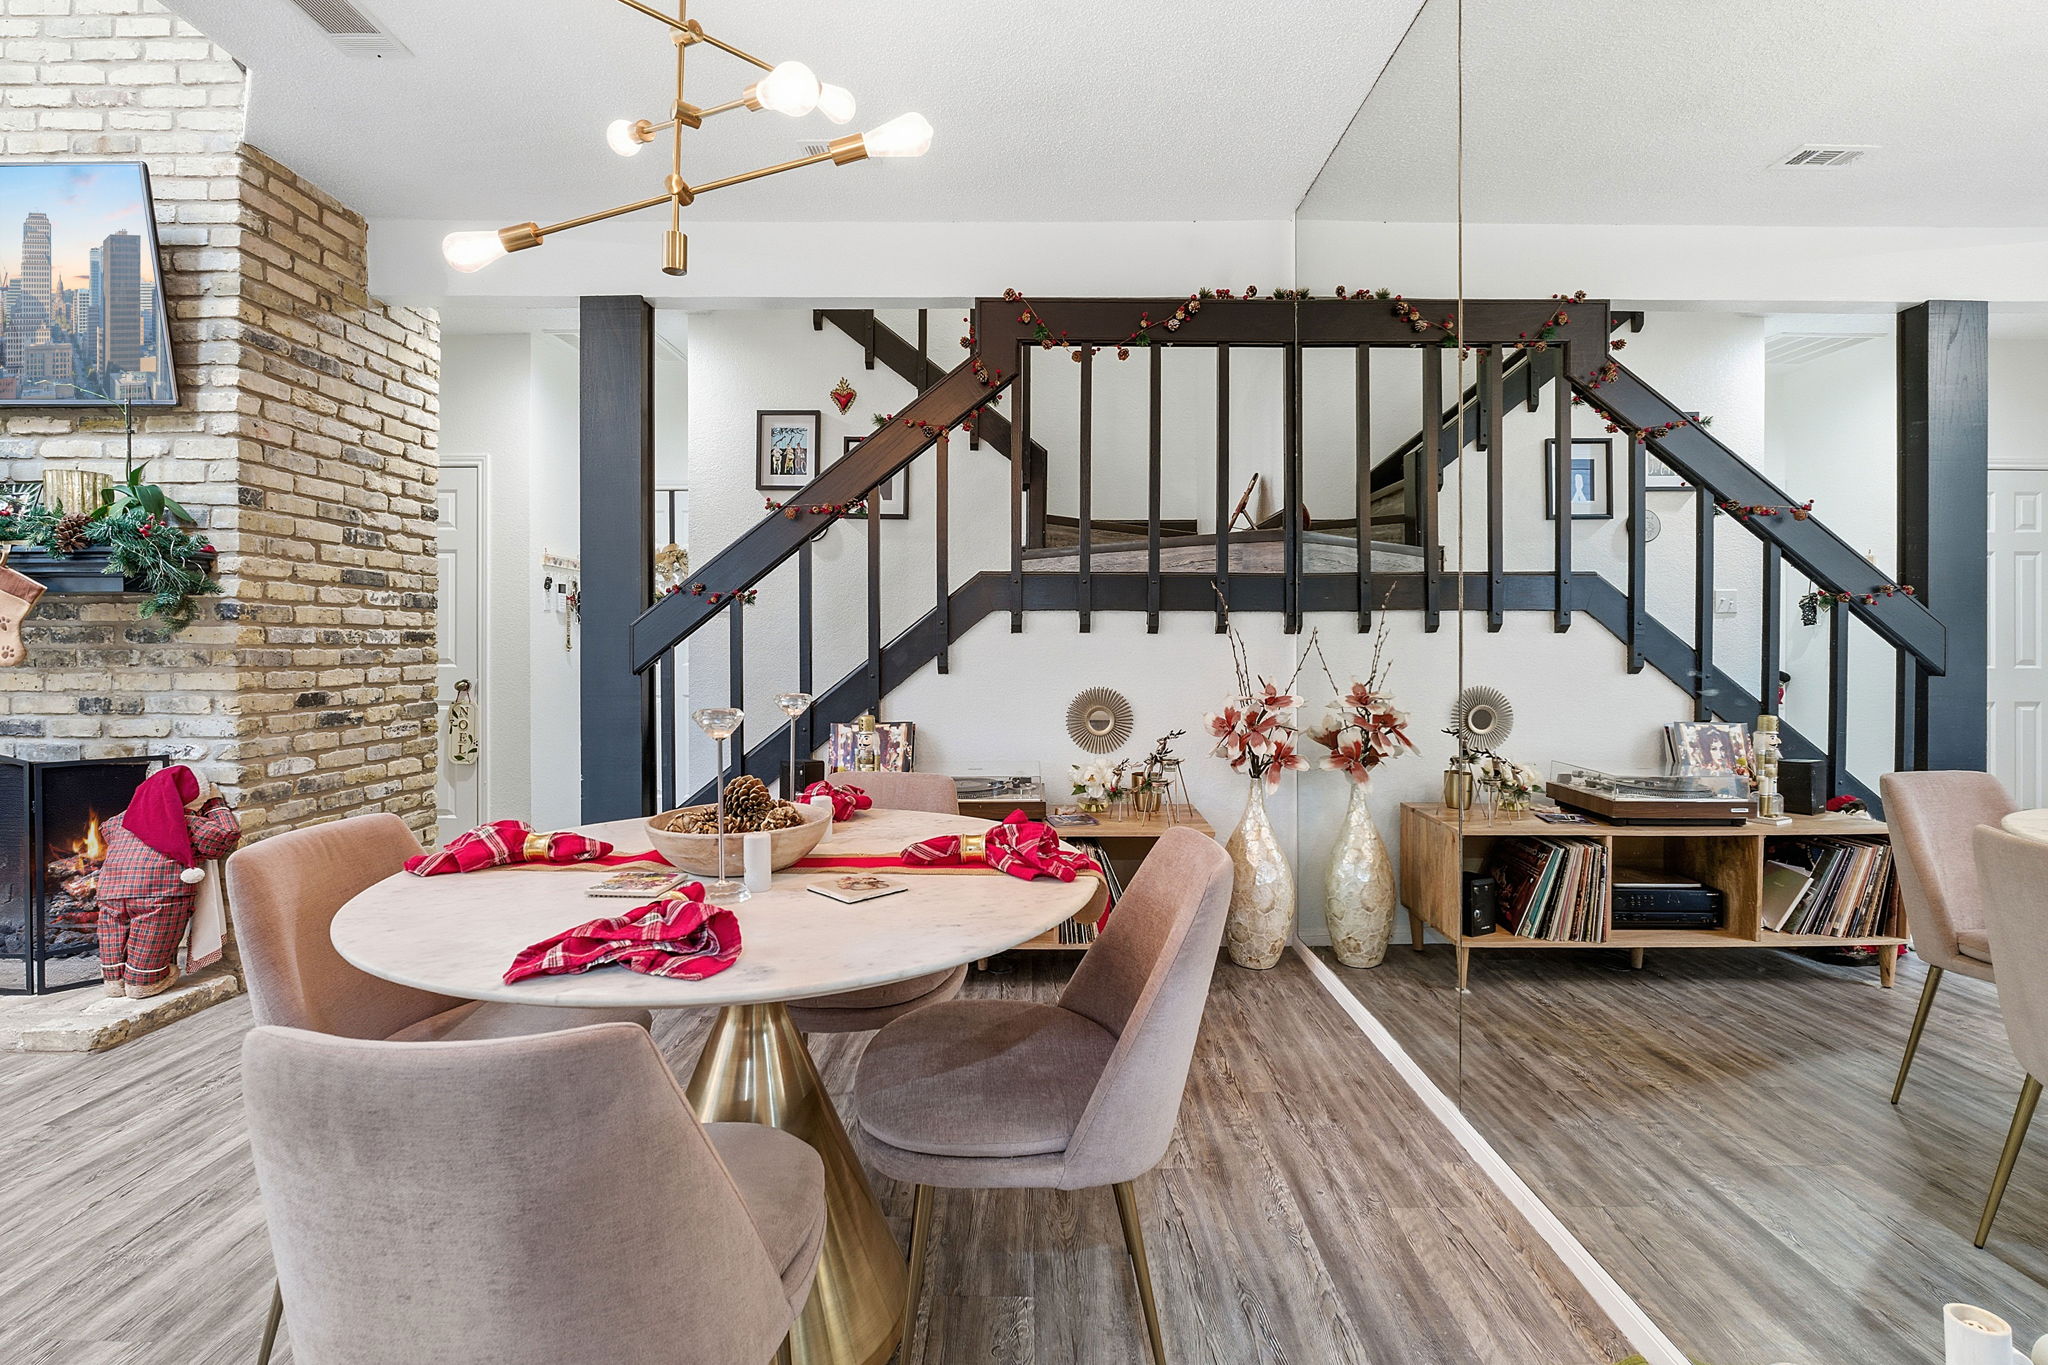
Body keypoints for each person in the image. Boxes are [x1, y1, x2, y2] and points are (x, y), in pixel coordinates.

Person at [96, 765, 241, 1000]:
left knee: (113, 932)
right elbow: (224, 837)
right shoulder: (185, 823)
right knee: (152, 937)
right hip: (159, 892)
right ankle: (144, 981)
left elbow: (106, 829)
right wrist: (215, 804)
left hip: (111, 889)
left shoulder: (122, 819)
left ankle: (114, 980)